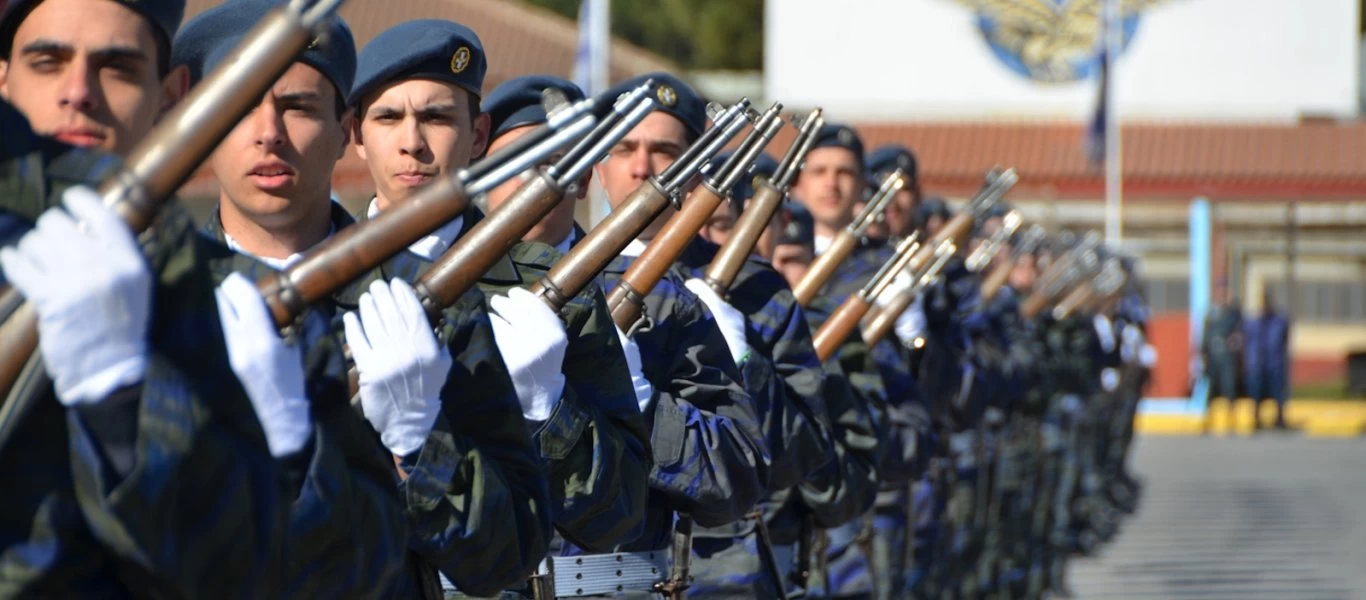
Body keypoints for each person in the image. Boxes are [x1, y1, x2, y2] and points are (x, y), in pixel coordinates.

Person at [177, 10, 552, 595]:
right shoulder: (155, 303)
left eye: (298, 106)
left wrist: (421, 446)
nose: (268, 132)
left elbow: (509, 555)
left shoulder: (429, 299)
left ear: (344, 127)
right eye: (242, 106)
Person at [358, 46, 651, 567]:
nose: (413, 144)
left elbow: (622, 515)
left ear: (476, 137)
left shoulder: (551, 281)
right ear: (354, 135)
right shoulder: (295, 279)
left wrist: (551, 409)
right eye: (388, 117)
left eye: (437, 116)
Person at [1243, 289, 1291, 430]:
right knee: (1256, 392)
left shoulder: (1278, 321)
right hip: (1257, 363)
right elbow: (1249, 342)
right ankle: (1256, 418)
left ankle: (1280, 419)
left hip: (1274, 362)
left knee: (1278, 393)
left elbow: (1284, 340)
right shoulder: (1253, 322)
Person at [1201, 280, 1244, 434]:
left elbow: (1239, 328)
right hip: (1213, 354)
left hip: (1227, 355)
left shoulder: (1233, 312)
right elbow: (1205, 335)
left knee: (1229, 387)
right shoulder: (1212, 312)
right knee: (1211, 390)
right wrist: (1203, 353)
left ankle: (1231, 421)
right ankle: (1208, 421)